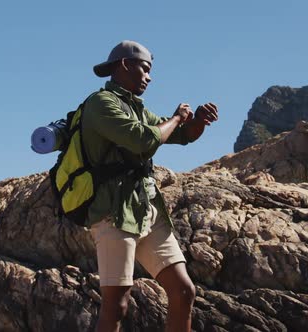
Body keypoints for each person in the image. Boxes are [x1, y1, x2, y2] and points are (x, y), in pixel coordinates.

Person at [83, 40, 218, 332]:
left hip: (147, 211)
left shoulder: (139, 109)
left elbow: (180, 136)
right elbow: (144, 140)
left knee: (184, 292)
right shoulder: (101, 103)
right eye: (144, 69)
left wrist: (196, 124)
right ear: (124, 65)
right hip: (115, 213)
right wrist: (177, 118)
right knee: (116, 306)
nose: (149, 76)